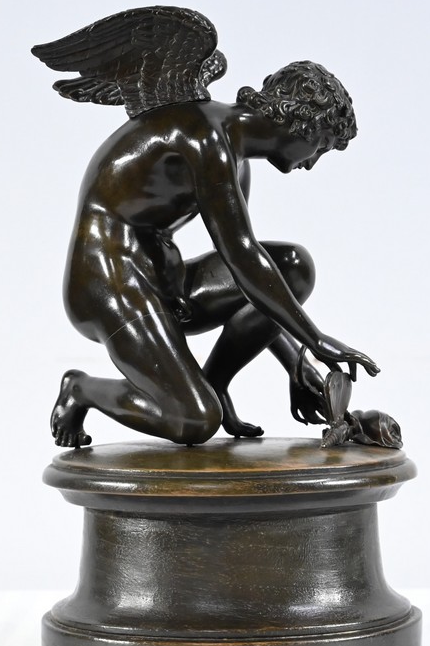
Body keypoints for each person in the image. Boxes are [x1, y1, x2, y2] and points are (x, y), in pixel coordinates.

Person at [49, 60, 379, 447]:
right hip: (108, 283)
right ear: (298, 123)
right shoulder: (205, 136)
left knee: (293, 267)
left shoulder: (237, 161)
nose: (311, 163)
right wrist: (316, 340)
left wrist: (296, 364)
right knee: (193, 419)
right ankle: (82, 389)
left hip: (167, 283)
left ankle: (215, 383)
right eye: (319, 146)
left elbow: (249, 273)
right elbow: (243, 258)